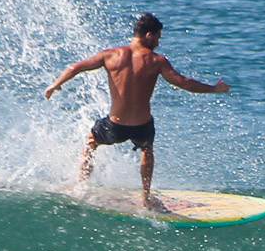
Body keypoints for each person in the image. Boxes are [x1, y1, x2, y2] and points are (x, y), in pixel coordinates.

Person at [43, 13, 229, 209]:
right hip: (142, 125)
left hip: (115, 125)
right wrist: (213, 88)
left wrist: (55, 84)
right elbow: (182, 82)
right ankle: (146, 198)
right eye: (157, 37)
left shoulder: (110, 55)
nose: (158, 42)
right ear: (148, 35)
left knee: (91, 142)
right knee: (146, 151)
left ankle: (81, 186)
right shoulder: (157, 61)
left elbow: (75, 67)